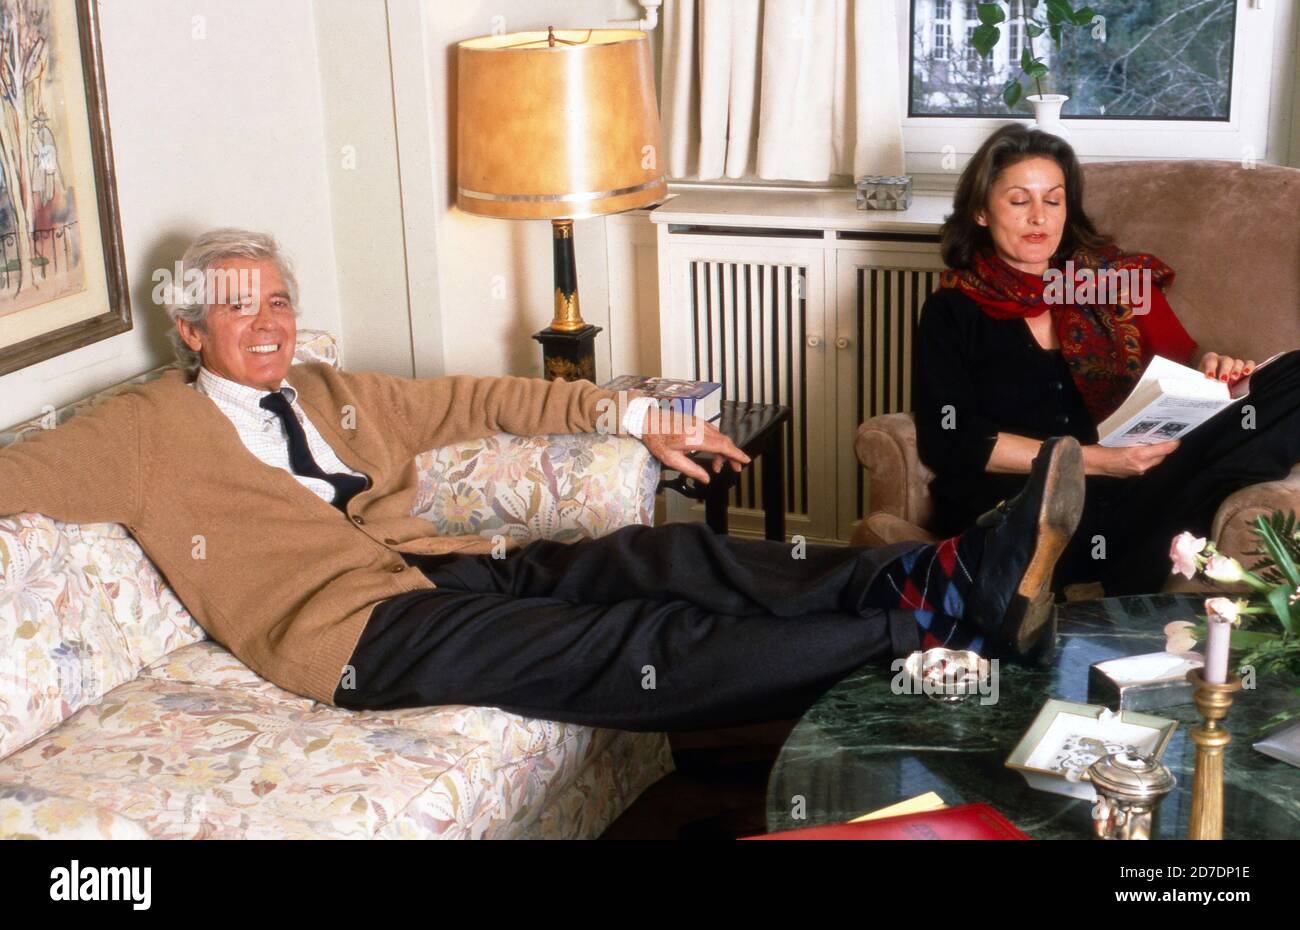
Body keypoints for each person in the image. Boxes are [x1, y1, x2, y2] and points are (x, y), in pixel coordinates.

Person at [0, 228, 1085, 733]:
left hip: (445, 572)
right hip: (356, 634)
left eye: (280, 301)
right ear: (190, 328)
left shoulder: (329, 387)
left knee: (670, 555)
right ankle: (935, 638)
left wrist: (631, 417)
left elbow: (480, 400)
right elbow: (13, 475)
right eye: (242, 308)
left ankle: (939, 571)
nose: (271, 325)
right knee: (633, 643)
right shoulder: (147, 426)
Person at [914, 124, 1300, 596]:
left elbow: (1186, 364)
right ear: (979, 211)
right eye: (1019, 201)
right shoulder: (953, 308)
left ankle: (1164, 530)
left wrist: (1216, 366)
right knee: (1072, 520)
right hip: (1027, 498)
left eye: (1053, 201)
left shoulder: (1111, 282)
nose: (1039, 217)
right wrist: (1094, 462)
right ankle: (1132, 564)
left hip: (1132, 483)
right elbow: (950, 440)